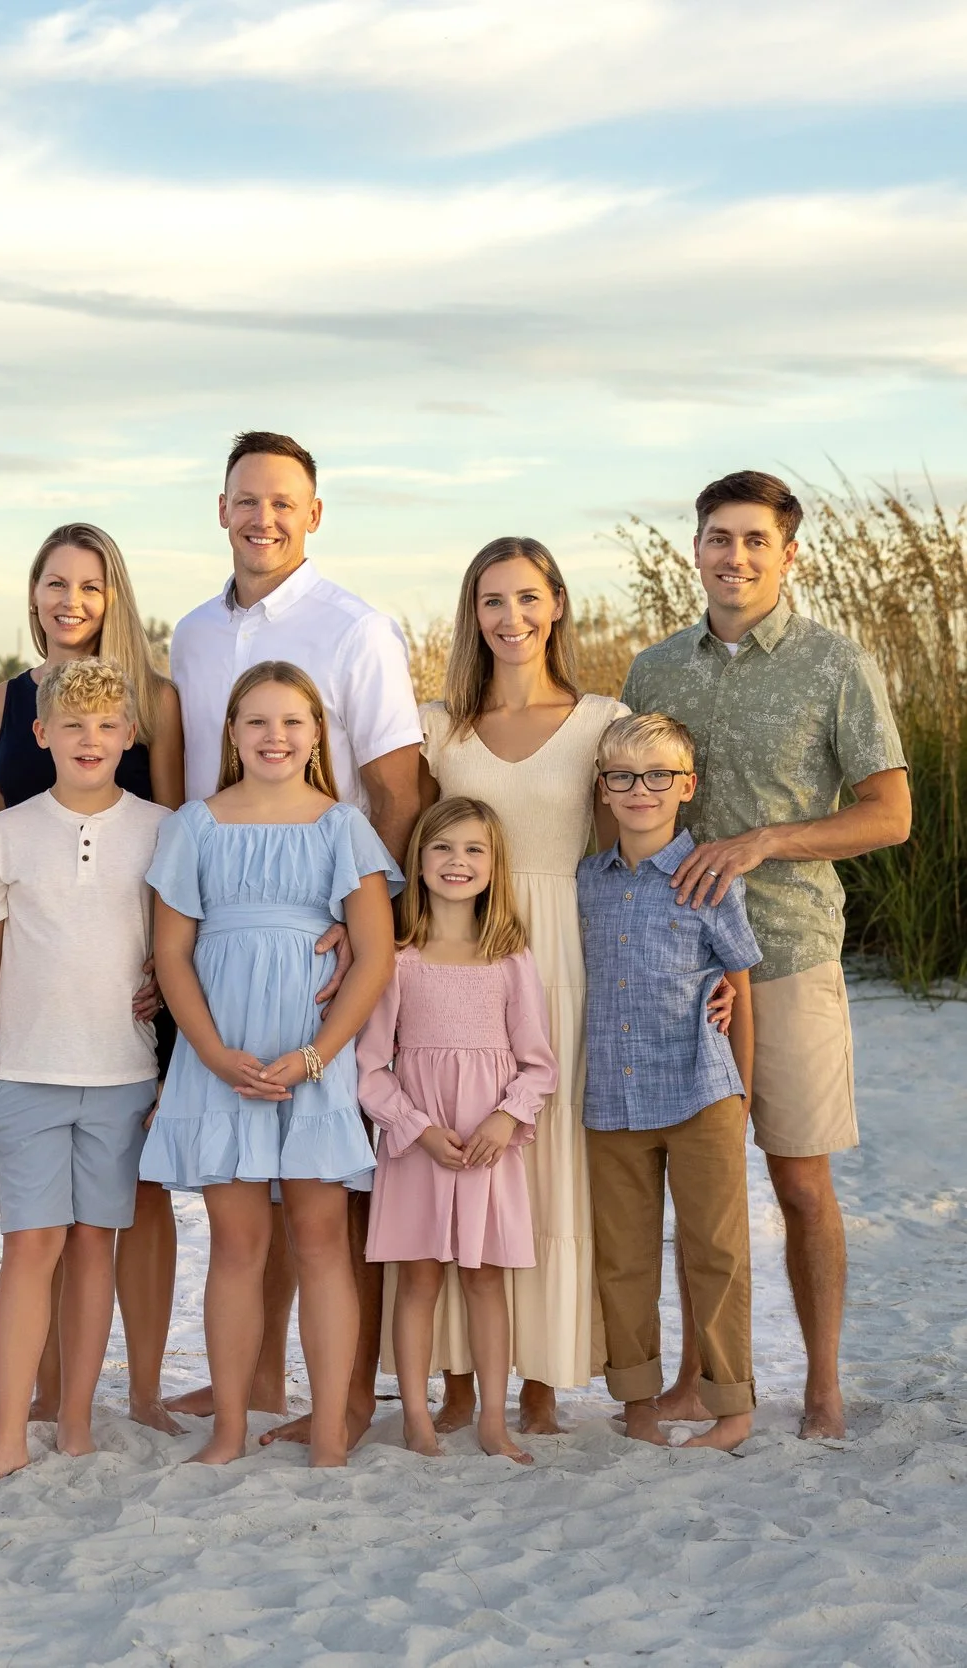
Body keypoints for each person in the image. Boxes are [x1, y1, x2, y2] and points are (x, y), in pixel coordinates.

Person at [620, 471, 910, 1442]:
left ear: (789, 555)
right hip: (674, 965)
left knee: (797, 1181)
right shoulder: (652, 670)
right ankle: (702, 1381)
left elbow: (891, 813)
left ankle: (821, 1387)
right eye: (715, 538)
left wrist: (762, 842)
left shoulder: (835, 663)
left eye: (753, 540)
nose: (732, 557)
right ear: (693, 549)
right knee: (696, 1188)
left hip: (786, 953)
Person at [166, 431, 422, 1445]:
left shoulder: (356, 628)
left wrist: (371, 942)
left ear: (313, 513)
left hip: (322, 944)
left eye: (283, 502)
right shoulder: (189, 634)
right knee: (238, 1203)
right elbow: (190, 787)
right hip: (219, 930)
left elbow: (397, 788)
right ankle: (256, 1384)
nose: (262, 518)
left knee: (325, 1198)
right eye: (245, 500)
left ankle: (345, 1399)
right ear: (219, 509)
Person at [140, 661, 401, 1468]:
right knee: (238, 1244)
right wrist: (212, 1054)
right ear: (230, 732)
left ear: (318, 733)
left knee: (322, 1240)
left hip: (310, 1061)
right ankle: (228, 1426)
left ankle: (328, 1431)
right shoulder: (195, 826)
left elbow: (375, 958)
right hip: (223, 1060)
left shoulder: (342, 826)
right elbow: (172, 953)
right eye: (256, 722)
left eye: (292, 722)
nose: (274, 737)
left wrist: (318, 1057)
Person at [404, 538, 626, 1437]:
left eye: (529, 598)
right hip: (452, 963)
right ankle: (455, 1380)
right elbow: (410, 849)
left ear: (559, 604)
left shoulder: (602, 718)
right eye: (492, 601)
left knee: (539, 1162)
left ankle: (537, 1378)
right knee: (452, 1154)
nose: (512, 618)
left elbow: (624, 855)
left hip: (559, 954)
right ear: (473, 615)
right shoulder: (436, 727)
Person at [0, 523, 185, 1434]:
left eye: (90, 586)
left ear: (113, 596)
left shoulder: (157, 698)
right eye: (55, 584)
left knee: (133, 1204)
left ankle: (132, 1391)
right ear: (34, 596)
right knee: (45, 1230)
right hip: (36, 985)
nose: (71, 601)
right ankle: (47, 1399)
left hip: (128, 992)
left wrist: (166, 966)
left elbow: (176, 837)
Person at [576, 713, 761, 1451]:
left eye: (658, 776)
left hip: (699, 1091)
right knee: (622, 1255)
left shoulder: (709, 879)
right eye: (623, 777)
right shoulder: (589, 881)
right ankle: (639, 1402)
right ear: (604, 789)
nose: (640, 789)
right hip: (612, 1100)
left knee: (715, 1250)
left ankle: (733, 1405)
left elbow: (742, 986)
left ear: (686, 786)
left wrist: (740, 1096)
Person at [359, 797, 556, 1465]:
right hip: (420, 1147)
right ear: (418, 860)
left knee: (483, 1282)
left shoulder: (511, 957)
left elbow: (539, 1064)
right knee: (416, 1281)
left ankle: (493, 1424)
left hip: (486, 1148)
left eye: (474, 850)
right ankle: (416, 1417)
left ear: (495, 865)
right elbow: (368, 1069)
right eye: (442, 848)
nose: (457, 862)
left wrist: (507, 1116)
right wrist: (415, 1129)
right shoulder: (397, 957)